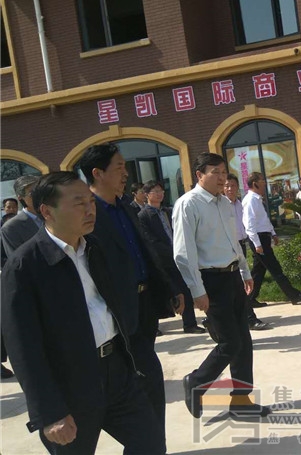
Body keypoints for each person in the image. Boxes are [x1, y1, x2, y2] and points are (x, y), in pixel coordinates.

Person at [1, 172, 165, 454]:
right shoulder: (24, 267)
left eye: (91, 202)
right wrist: (48, 412)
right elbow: (23, 348)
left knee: (150, 444)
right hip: (69, 385)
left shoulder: (95, 248)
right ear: (46, 211)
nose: (90, 210)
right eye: (79, 204)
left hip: (117, 372)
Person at [78, 144, 184, 445]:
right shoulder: (88, 214)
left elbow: (145, 252)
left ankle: (152, 444)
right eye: (119, 167)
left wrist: (169, 288)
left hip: (144, 304)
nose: (126, 173)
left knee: (146, 379)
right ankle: (152, 444)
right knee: (145, 379)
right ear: (98, 173)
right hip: (116, 313)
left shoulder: (125, 206)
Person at [173, 152, 271, 419]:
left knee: (244, 342)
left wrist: (244, 270)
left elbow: (233, 241)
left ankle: (241, 401)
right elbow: (183, 253)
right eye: (214, 172)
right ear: (199, 175)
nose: (221, 178)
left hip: (232, 277)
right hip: (211, 281)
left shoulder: (225, 203)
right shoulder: (188, 205)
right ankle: (196, 381)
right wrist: (197, 291)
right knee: (230, 343)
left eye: (223, 172)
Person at [138, 180, 205, 334]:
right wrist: (169, 251)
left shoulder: (168, 211)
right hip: (160, 260)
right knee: (159, 292)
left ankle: (190, 324)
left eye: (161, 191)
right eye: (155, 191)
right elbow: (150, 240)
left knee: (185, 288)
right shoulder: (143, 216)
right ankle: (154, 327)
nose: (159, 194)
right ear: (146, 195)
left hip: (177, 257)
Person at [243, 172, 301, 310]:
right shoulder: (250, 200)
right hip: (259, 239)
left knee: (258, 271)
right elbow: (249, 225)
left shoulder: (257, 199)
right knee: (275, 268)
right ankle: (294, 295)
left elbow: (264, 220)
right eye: (262, 180)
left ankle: (249, 299)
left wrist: (273, 233)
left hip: (264, 237)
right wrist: (257, 244)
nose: (264, 183)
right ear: (255, 183)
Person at [1, 175, 42, 380]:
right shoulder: (12, 228)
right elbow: (19, 262)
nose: (39, 194)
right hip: (39, 291)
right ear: (21, 198)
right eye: (32, 192)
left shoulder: (56, 214)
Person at [224, 174, 269, 330]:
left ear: (238, 187)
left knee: (242, 281)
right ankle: (249, 318)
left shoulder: (239, 204)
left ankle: (243, 317)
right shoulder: (222, 205)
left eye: (233, 185)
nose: (230, 189)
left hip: (241, 245)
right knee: (239, 282)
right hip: (229, 247)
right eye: (227, 186)